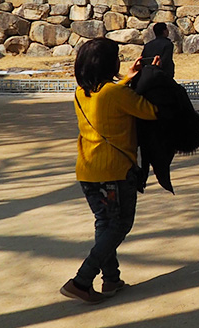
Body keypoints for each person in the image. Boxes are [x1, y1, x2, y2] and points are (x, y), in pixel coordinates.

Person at [61, 37, 158, 304]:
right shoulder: (115, 94)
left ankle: (111, 279)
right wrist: (150, 77)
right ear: (106, 64)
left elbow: (110, 98)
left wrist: (128, 78)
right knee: (120, 224)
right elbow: (149, 111)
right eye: (116, 57)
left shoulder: (81, 93)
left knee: (105, 223)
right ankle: (82, 280)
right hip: (114, 172)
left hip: (88, 171)